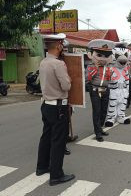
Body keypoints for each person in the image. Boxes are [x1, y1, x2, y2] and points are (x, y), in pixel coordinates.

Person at [36, 34, 75, 186]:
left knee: (46, 136)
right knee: (58, 141)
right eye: (62, 44)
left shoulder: (44, 62)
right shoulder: (58, 64)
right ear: (58, 45)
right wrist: (70, 80)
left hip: (46, 105)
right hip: (59, 107)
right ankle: (56, 175)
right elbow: (66, 86)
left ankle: (42, 167)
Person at [85, 39, 114, 142]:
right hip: (95, 90)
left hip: (106, 90)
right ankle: (97, 132)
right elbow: (87, 79)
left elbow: (110, 79)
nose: (103, 59)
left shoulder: (108, 68)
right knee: (97, 111)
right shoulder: (91, 67)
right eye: (100, 55)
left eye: (106, 56)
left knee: (104, 111)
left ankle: (100, 128)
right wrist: (94, 70)